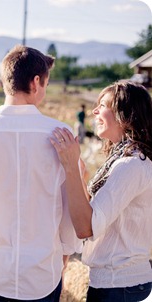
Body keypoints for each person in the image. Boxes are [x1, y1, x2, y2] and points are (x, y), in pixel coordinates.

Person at [0, 45, 82, 302]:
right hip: (42, 278)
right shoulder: (62, 134)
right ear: (36, 81)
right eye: (46, 84)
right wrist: (63, 259)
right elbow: (68, 209)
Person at [50, 80, 152, 302]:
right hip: (118, 285)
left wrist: (70, 165)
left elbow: (86, 227)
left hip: (121, 287)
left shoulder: (130, 166)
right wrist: (80, 175)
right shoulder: (124, 160)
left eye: (103, 105)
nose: (95, 111)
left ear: (125, 116)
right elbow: (95, 213)